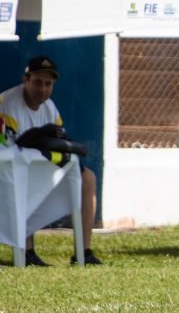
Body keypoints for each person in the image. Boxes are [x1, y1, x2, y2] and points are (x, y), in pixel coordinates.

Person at [0, 56, 103, 266]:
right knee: (24, 180)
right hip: (8, 174)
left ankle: (84, 252)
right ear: (26, 80)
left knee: (88, 178)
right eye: (38, 82)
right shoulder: (7, 103)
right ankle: (27, 252)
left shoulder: (50, 107)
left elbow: (59, 142)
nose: (43, 89)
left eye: (48, 84)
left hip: (40, 170)